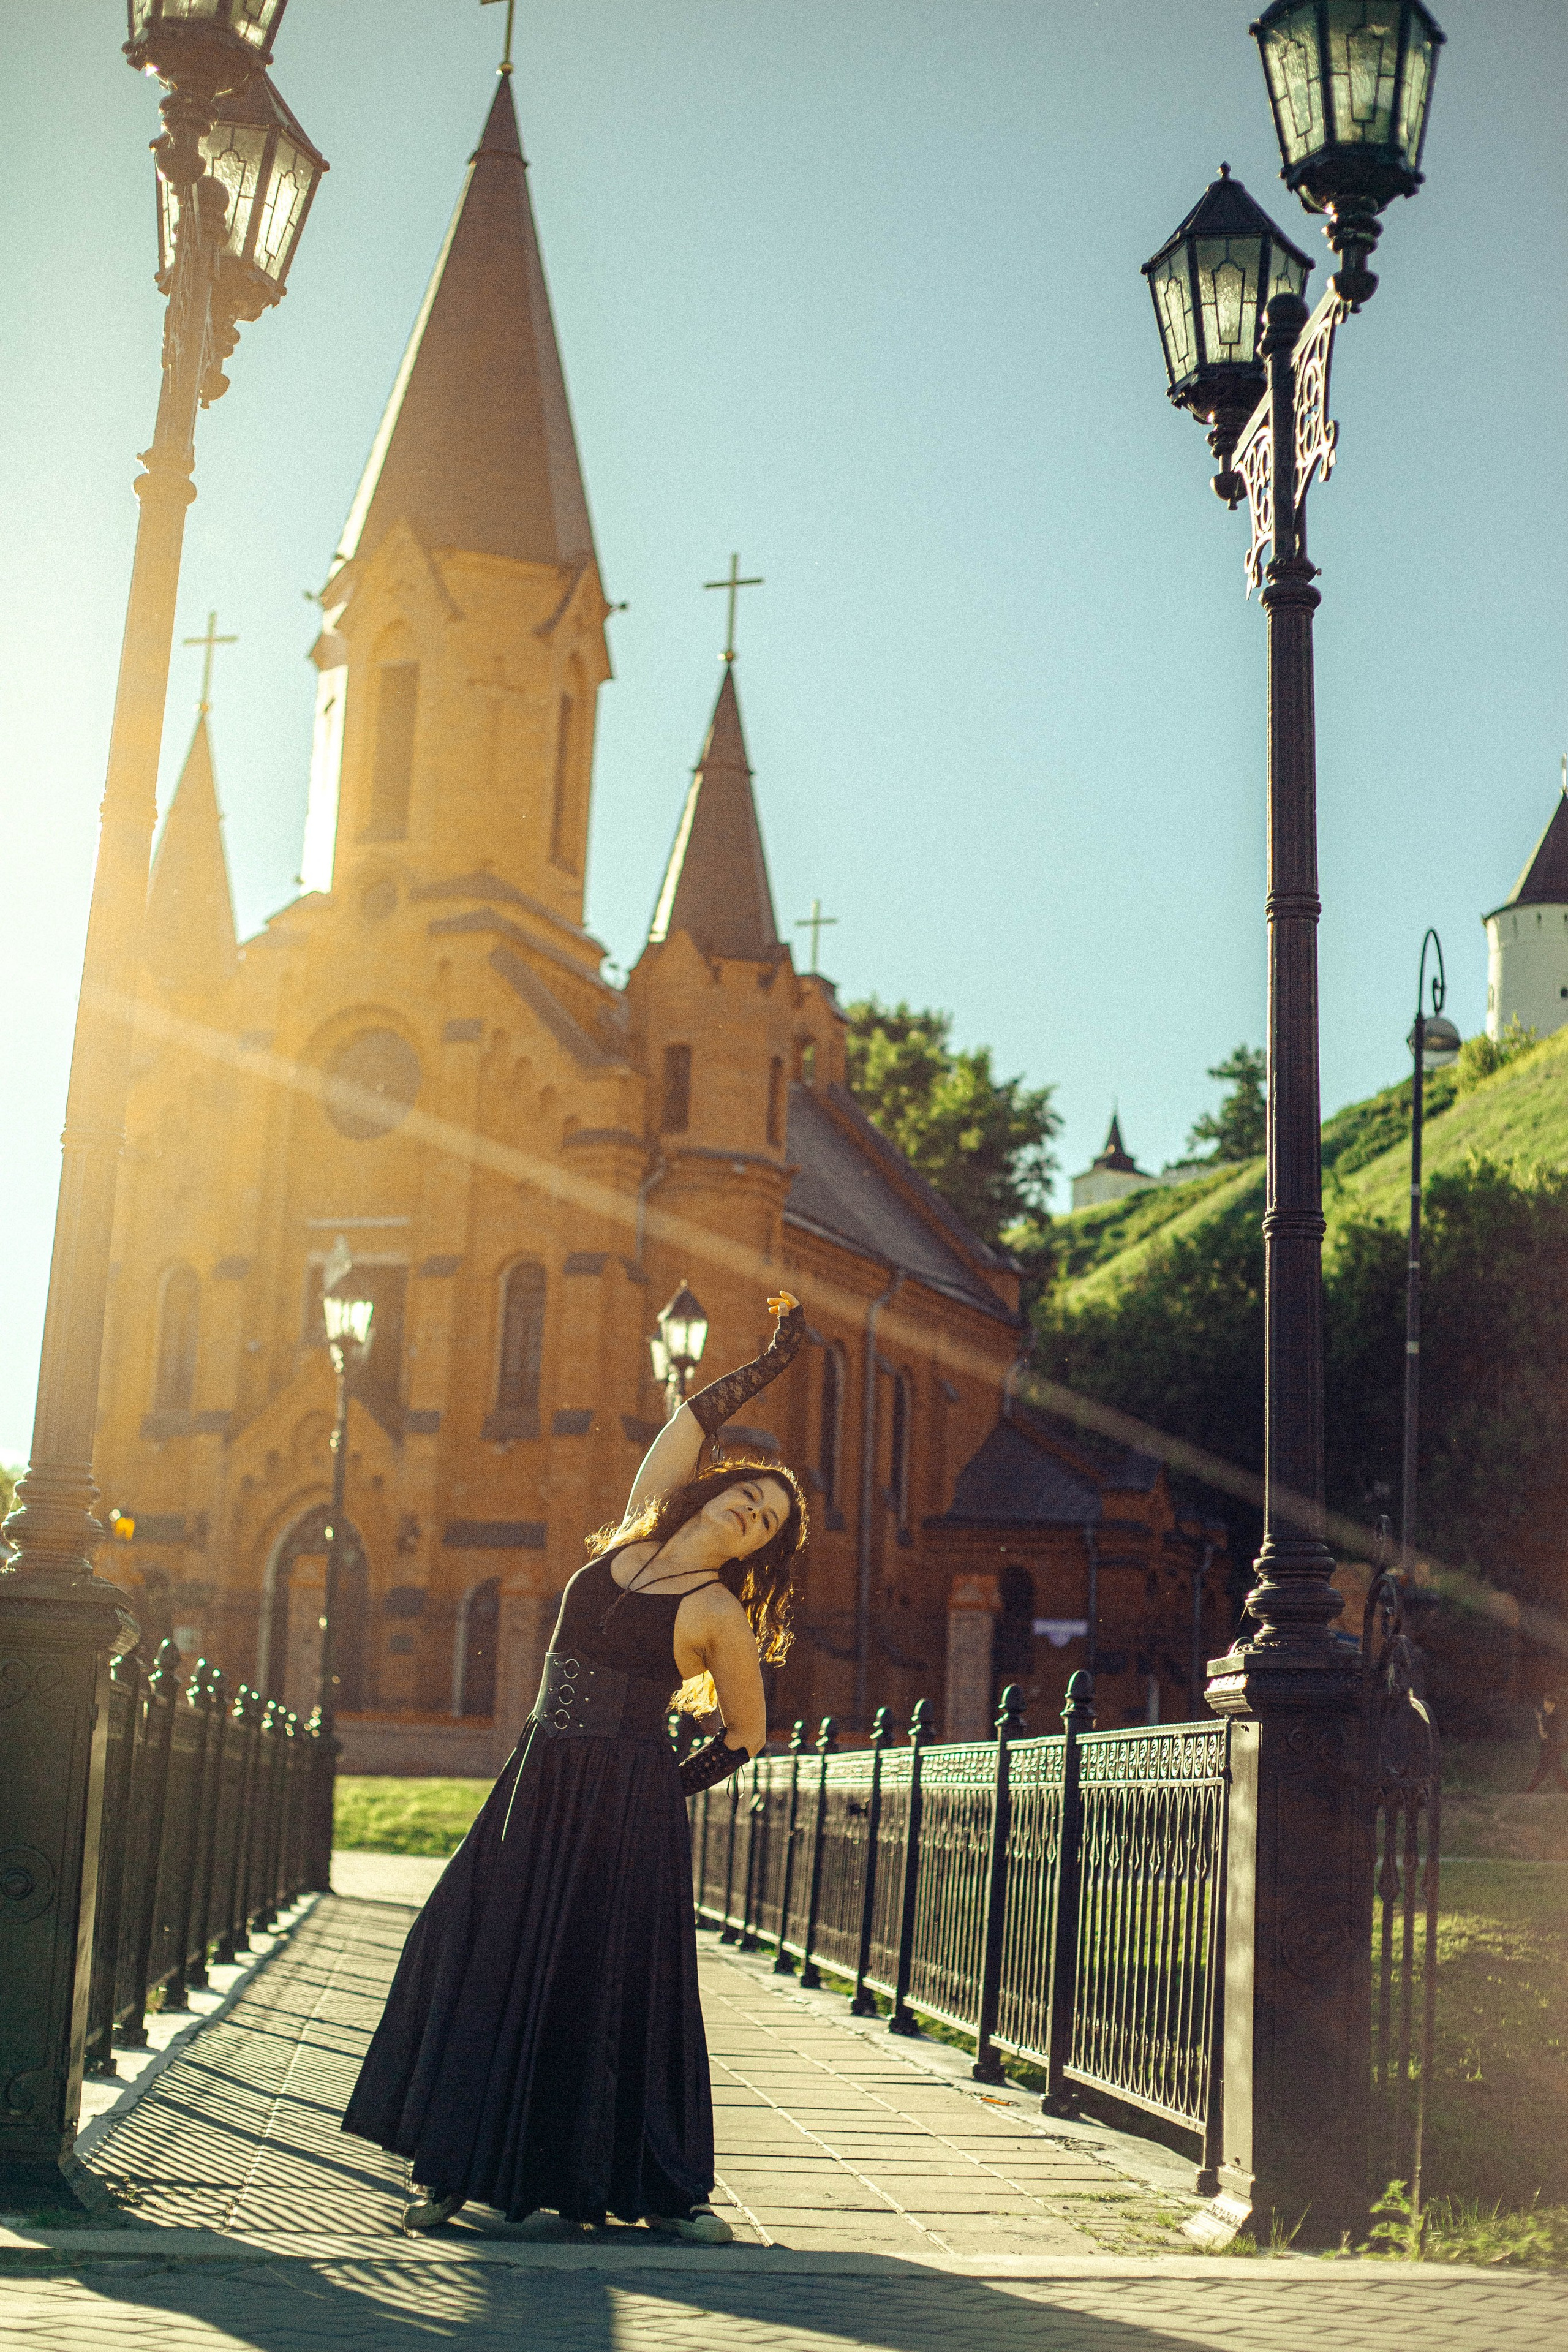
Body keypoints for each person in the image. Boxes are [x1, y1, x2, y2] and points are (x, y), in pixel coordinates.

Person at [341, 1290, 809, 2242]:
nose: (748, 1517)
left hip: (623, 1807)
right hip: (537, 1778)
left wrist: (657, 1789)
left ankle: (660, 2191)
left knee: (605, 1993)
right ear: (714, 1490)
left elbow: (746, 1738)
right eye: (746, 1497)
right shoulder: (637, 1530)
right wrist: (769, 1364)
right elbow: (688, 1421)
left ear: (760, 1550)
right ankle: (452, 2163)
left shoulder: (720, 1615)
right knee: (467, 1944)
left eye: (764, 1523)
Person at [1526, 1691, 1567, 1793]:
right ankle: (1528, 1792)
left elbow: (1544, 1736)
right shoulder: (1548, 1716)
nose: (1544, 1705)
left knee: (1554, 1773)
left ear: (1552, 1704)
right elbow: (1542, 1735)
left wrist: (1540, 1722)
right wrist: (1539, 1720)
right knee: (1548, 1772)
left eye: (1545, 1703)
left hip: (1553, 1749)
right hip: (1547, 1749)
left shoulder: (1556, 1717)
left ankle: (1528, 1792)